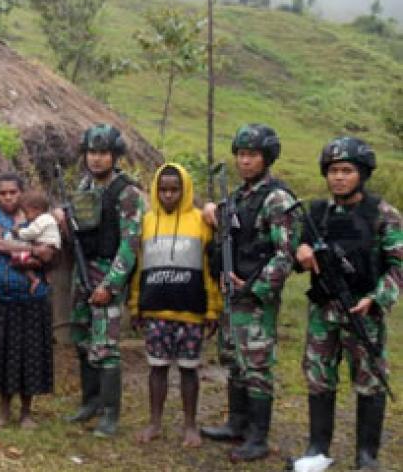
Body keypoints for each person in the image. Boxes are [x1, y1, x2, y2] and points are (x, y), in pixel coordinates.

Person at [292, 137, 402, 471]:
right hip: (323, 311)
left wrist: (376, 298)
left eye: (347, 171)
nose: (339, 177)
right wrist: (301, 253)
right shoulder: (317, 213)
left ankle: (366, 455)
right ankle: (317, 449)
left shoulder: (382, 215)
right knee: (318, 377)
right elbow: (297, 252)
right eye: (333, 171)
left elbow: (398, 266)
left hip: (363, 312)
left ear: (362, 174)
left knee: (370, 380)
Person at [200, 123, 300, 463]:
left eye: (252, 155)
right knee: (234, 361)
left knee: (256, 365)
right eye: (241, 155)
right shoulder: (238, 197)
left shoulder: (277, 199)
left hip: (256, 297)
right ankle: (236, 423)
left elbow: (285, 253)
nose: (245, 161)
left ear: (266, 158)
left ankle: (258, 437)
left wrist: (255, 286)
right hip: (232, 294)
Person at [128, 163, 221, 447]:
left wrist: (213, 308)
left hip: (191, 311)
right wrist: (135, 305)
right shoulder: (146, 222)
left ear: (185, 190)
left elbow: (210, 269)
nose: (168, 195)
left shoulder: (201, 221)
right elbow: (138, 267)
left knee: (188, 369)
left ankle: (190, 425)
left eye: (174, 189)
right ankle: (154, 423)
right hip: (155, 310)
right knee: (157, 368)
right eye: (163, 189)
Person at [65, 124, 146, 437]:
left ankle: (110, 415)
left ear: (115, 156)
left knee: (107, 346)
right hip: (82, 270)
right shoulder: (84, 185)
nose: (96, 159)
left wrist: (110, 285)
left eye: (103, 153)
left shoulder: (127, 192)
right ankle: (91, 402)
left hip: (109, 272)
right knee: (81, 336)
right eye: (92, 152)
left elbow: (130, 244)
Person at [0, 172, 57, 429]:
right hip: (2, 298)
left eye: (13, 192)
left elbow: (52, 250)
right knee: (3, 355)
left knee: (30, 355)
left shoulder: (37, 217)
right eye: (2, 193)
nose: (8, 197)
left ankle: (26, 413)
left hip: (34, 298)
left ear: (21, 193)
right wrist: (34, 250)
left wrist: (45, 253)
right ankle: (3, 413)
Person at [11, 190, 61, 294]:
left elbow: (31, 233)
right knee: (44, 264)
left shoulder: (41, 220)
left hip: (45, 249)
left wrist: (18, 232)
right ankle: (46, 274)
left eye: (26, 213)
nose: (25, 216)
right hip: (53, 251)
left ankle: (34, 278)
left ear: (36, 209)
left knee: (17, 261)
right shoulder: (49, 218)